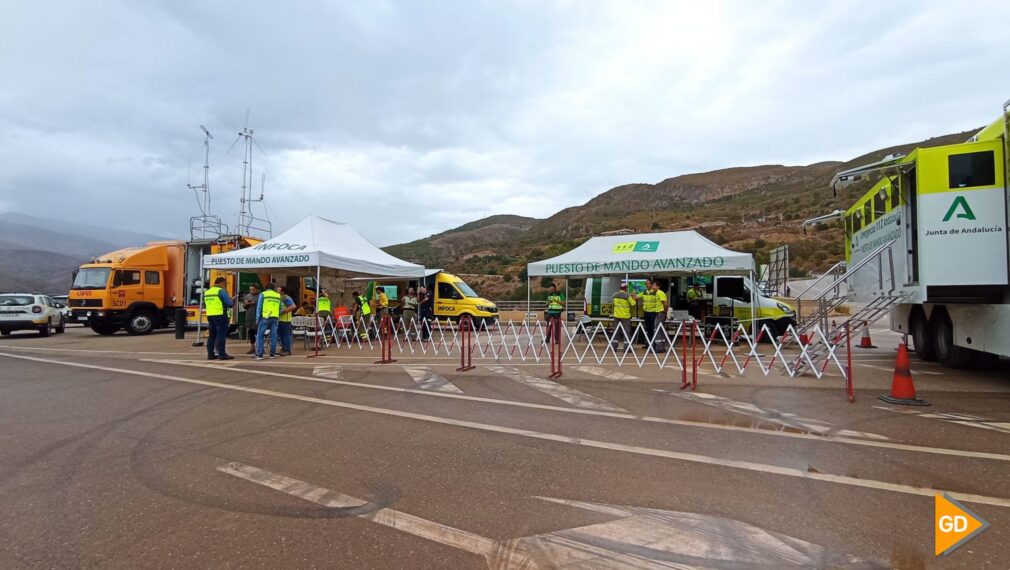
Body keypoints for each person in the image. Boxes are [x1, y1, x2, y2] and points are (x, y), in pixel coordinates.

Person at [203, 276, 235, 360]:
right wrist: (231, 300)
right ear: (222, 283)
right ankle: (222, 354)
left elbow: (206, 304)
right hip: (220, 315)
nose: (225, 286)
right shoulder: (221, 291)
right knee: (221, 335)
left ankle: (210, 354)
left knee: (212, 336)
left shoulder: (207, 292)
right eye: (225, 284)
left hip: (210, 316)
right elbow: (230, 304)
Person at [254, 282, 281, 359]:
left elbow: (259, 307)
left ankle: (259, 354)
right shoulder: (278, 295)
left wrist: (257, 318)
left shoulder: (263, 294)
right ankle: (272, 354)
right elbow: (280, 308)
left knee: (260, 335)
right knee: (274, 336)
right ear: (273, 288)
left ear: (265, 288)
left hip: (265, 317)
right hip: (275, 317)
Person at [610, 282, 634, 350]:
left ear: (620, 288)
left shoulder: (614, 295)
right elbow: (633, 303)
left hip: (616, 316)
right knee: (626, 332)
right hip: (625, 316)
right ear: (625, 288)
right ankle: (627, 347)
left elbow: (613, 303)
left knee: (616, 331)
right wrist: (633, 297)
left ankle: (614, 346)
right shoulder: (627, 296)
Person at [277, 286, 297, 356]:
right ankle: (283, 348)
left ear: (282, 292)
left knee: (286, 335)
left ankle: (287, 350)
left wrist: (283, 311)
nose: (277, 292)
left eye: (279, 291)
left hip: (286, 320)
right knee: (281, 335)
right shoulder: (280, 298)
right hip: (280, 319)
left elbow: (293, 306)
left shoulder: (286, 298)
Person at [651, 280, 669, 349]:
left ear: (658, 286)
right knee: (660, 329)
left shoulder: (660, 293)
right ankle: (661, 346)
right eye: (652, 285)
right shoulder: (656, 293)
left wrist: (665, 312)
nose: (653, 287)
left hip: (660, 313)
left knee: (657, 329)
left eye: (654, 285)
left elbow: (665, 303)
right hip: (658, 312)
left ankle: (659, 346)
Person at [243, 284, 260, 355]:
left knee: (258, 333)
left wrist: (255, 303)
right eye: (250, 290)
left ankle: (259, 347)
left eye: (253, 290)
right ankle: (252, 347)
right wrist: (246, 304)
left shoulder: (260, 296)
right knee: (251, 332)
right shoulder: (248, 296)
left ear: (257, 289)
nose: (251, 291)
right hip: (249, 316)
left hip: (257, 316)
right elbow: (244, 306)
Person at [641, 278, 658, 347]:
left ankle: (653, 344)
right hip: (646, 312)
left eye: (647, 283)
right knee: (647, 329)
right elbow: (637, 296)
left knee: (652, 328)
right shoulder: (645, 292)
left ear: (651, 284)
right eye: (646, 284)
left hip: (653, 312)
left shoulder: (655, 292)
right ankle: (648, 343)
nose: (646, 285)